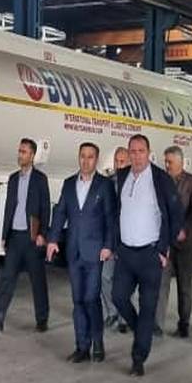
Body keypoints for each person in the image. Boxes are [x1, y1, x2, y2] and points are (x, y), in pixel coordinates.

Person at [113, 134, 183, 377]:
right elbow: (116, 212)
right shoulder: (122, 176)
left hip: (150, 254)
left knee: (147, 305)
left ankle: (138, 358)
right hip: (125, 253)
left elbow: (176, 214)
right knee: (118, 297)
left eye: (141, 151)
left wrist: (164, 249)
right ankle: (141, 329)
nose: (136, 156)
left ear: (148, 152)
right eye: (132, 151)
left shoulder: (161, 179)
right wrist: (115, 245)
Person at [46, 142, 118, 363]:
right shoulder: (69, 184)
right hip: (74, 251)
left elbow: (111, 218)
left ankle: (98, 343)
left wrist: (108, 245)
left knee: (90, 298)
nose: (86, 161)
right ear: (78, 158)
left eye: (90, 157)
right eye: (82, 156)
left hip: (95, 252)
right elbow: (60, 213)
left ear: (97, 160)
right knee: (78, 300)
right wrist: (52, 240)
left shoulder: (104, 185)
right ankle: (82, 347)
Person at [0, 138, 51, 333]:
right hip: (15, 237)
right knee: (6, 279)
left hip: (32, 238)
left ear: (32, 155)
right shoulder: (13, 179)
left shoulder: (40, 179)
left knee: (38, 281)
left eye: (24, 152)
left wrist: (43, 234)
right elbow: (9, 208)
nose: (20, 155)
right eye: (19, 151)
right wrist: (4, 234)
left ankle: (42, 319)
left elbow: (46, 209)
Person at [156, 146, 192, 339]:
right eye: (165, 161)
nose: (167, 165)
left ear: (180, 162)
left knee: (184, 285)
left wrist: (186, 230)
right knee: (161, 284)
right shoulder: (161, 181)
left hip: (185, 243)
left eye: (170, 162)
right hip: (166, 242)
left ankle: (184, 324)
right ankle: (157, 325)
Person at [101, 146, 130, 333]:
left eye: (122, 162)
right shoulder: (107, 183)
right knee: (105, 277)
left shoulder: (135, 183)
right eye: (116, 161)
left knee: (125, 281)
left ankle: (124, 318)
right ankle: (112, 312)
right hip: (111, 240)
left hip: (128, 242)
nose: (118, 165)